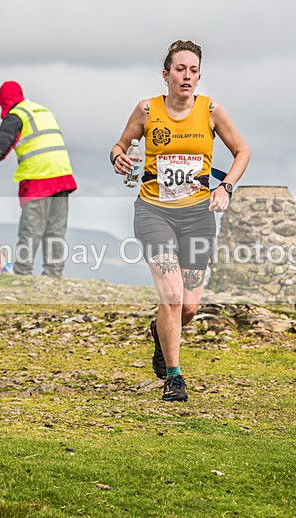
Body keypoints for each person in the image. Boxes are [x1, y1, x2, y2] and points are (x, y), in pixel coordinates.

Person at [110, 40, 250, 401]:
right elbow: (120, 145)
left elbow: (242, 151)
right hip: (154, 211)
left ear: (199, 76)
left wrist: (226, 188)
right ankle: (175, 378)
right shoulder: (146, 110)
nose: (186, 76)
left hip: (197, 216)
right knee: (171, 294)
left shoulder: (211, 111)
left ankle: (161, 334)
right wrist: (118, 157)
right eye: (179, 69)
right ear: (166, 74)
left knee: (188, 306)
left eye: (193, 70)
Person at [0, 81, 77, 278]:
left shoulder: (17, 117)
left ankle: (22, 274)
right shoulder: (43, 111)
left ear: (3, 101)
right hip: (63, 175)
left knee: (31, 229)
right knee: (56, 229)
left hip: (38, 177)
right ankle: (53, 276)